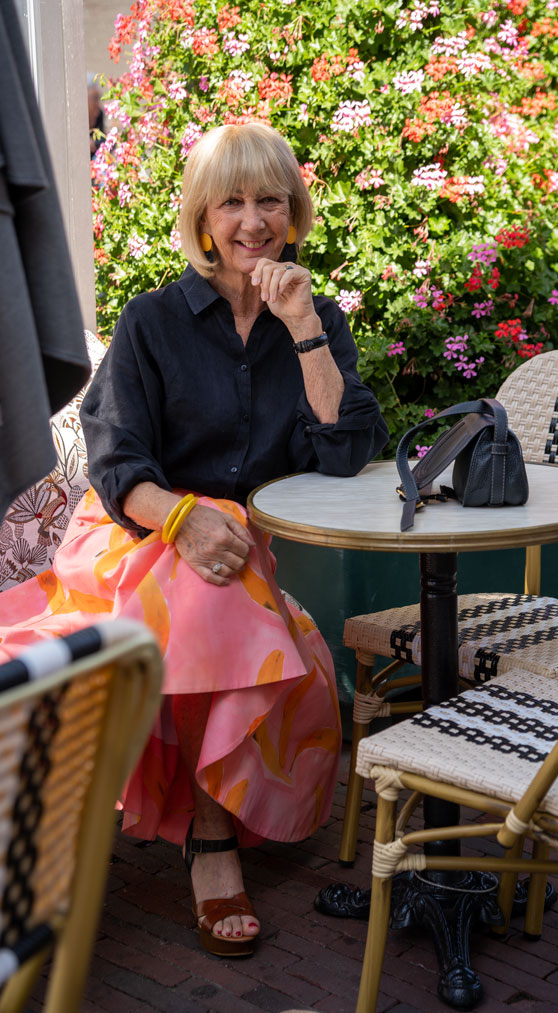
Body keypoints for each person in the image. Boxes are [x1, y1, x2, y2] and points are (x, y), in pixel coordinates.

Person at [0, 122, 388, 957]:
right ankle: (212, 842)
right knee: (218, 575)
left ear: (295, 213)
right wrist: (181, 517)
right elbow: (115, 459)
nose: (253, 221)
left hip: (232, 551)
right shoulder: (151, 321)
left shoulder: (313, 319)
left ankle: (203, 835)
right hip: (135, 533)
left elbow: (346, 447)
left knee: (225, 568)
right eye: (233, 202)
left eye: (270, 201)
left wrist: (303, 329)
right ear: (203, 218)